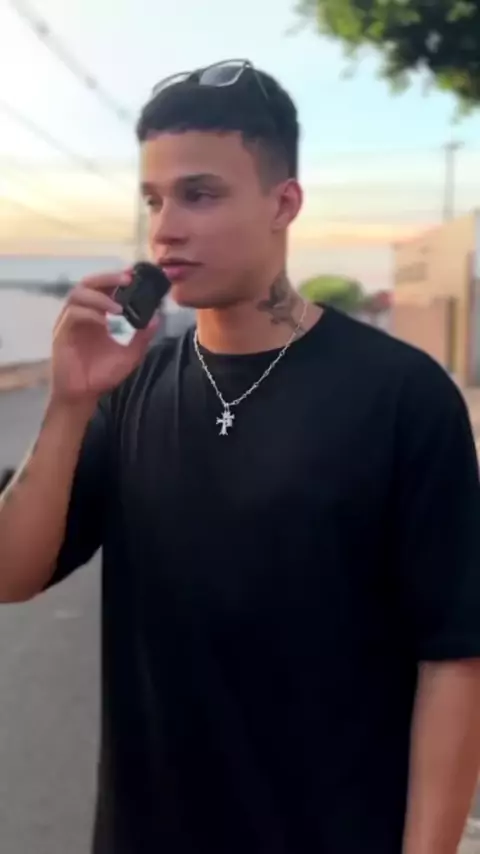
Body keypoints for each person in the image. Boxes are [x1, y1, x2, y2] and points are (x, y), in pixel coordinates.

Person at [0, 59, 480, 854]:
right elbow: (11, 576)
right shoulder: (127, 388)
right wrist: (69, 403)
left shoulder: (402, 394)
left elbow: (455, 659)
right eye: (154, 200)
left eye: (199, 194)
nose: (165, 229)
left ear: (283, 203)